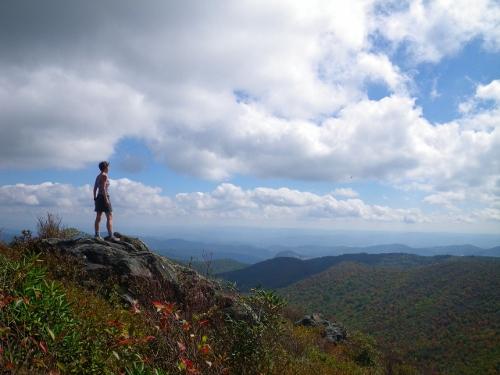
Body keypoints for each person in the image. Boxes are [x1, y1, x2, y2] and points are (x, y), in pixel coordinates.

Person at [93, 161, 119, 241]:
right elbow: (104, 189)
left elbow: (94, 189)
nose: (109, 168)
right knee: (109, 216)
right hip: (104, 197)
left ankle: (97, 235)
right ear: (105, 167)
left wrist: (95, 198)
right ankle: (111, 236)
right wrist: (106, 199)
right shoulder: (104, 176)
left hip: (98, 197)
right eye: (108, 166)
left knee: (98, 217)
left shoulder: (98, 176)